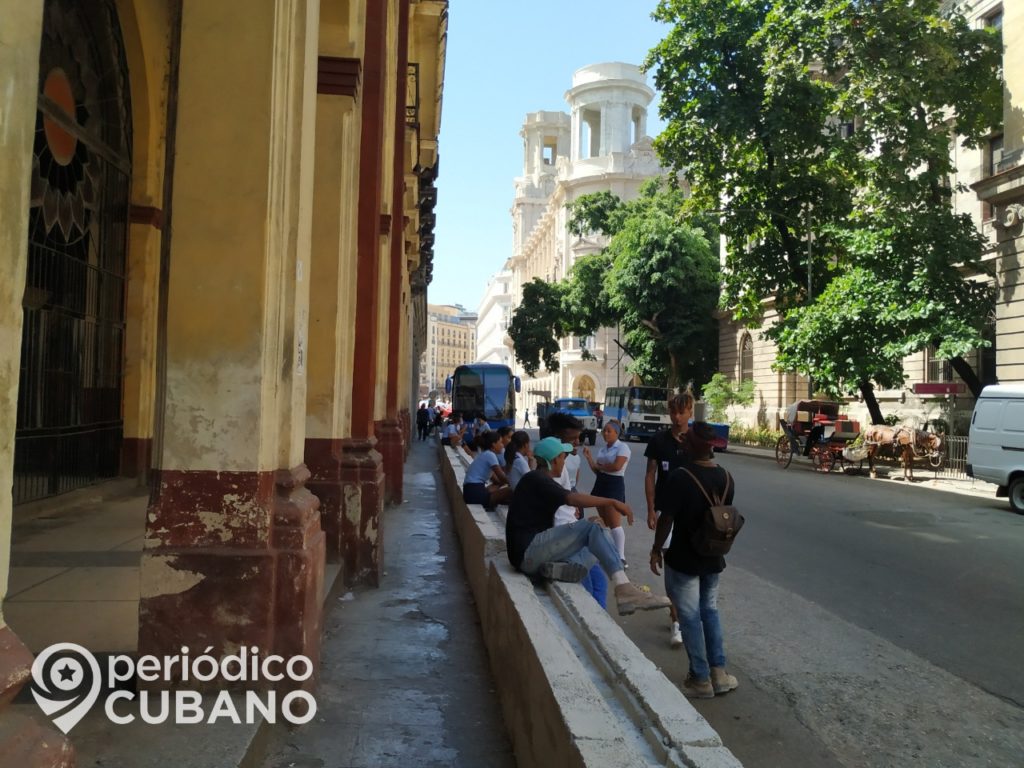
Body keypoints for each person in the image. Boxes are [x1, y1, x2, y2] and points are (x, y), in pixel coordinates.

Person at [506, 436, 673, 616]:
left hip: (529, 555)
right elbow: (572, 499)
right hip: (527, 553)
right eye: (563, 457)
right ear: (554, 461)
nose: (564, 462)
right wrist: (612, 502)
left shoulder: (538, 480)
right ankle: (624, 588)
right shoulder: (536, 479)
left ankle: (563, 568)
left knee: (597, 540)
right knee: (592, 528)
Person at [650, 422, 739, 699]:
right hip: (713, 556)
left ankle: (700, 678)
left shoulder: (681, 477)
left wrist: (656, 549)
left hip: (684, 558)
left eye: (686, 440)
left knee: (689, 616)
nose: (682, 444)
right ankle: (719, 674)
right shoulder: (726, 477)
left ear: (693, 446)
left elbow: (667, 518)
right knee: (709, 611)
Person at [644, 391, 695, 648]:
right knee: (671, 568)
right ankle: (676, 620)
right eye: (673, 412)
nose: (677, 417)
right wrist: (651, 509)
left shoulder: (696, 441)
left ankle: (683, 614)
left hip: (692, 514)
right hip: (667, 514)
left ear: (690, 413)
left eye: (681, 412)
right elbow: (650, 474)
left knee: (688, 569)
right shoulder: (659, 440)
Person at [548, 412, 608, 609]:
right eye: (572, 438)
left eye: (578, 438)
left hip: (572, 529)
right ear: (558, 438)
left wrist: (573, 507)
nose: (577, 442)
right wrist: (611, 502)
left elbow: (571, 490)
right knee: (587, 587)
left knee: (600, 581)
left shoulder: (567, 463)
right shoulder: (551, 467)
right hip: (563, 537)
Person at [582, 419, 632, 568]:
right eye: (604, 430)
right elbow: (597, 470)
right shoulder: (603, 449)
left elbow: (617, 466)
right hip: (601, 483)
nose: (605, 433)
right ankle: (608, 552)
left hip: (614, 484)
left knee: (615, 523)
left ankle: (621, 557)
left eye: (609, 431)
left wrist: (601, 467)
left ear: (617, 433)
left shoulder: (623, 447)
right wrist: (589, 458)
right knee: (605, 522)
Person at [462, 431, 512, 508]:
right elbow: (502, 477)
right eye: (500, 442)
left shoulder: (485, 454)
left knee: (500, 487)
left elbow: (497, 481)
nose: (502, 445)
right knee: (510, 491)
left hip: (469, 492)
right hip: (474, 492)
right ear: (494, 444)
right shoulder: (490, 455)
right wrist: (515, 483)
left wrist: (502, 484)